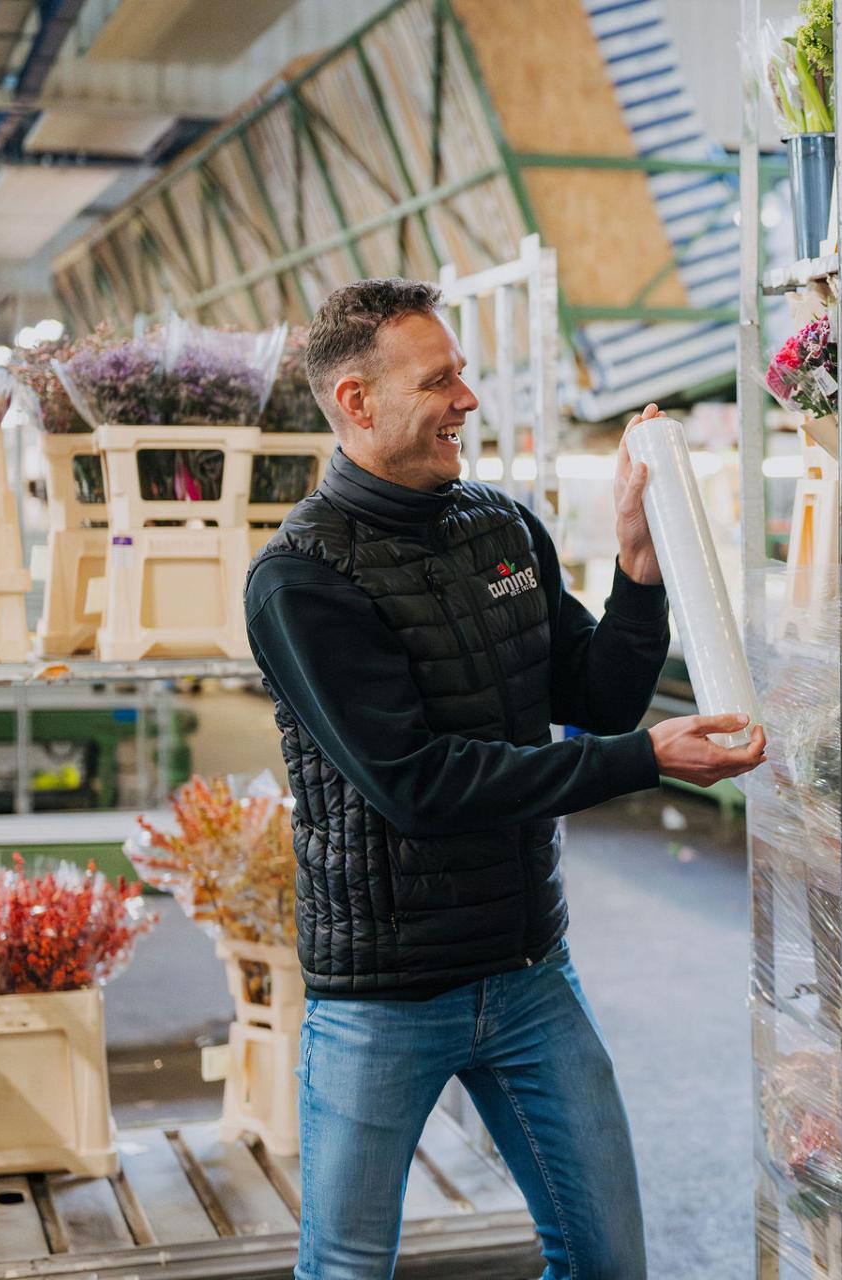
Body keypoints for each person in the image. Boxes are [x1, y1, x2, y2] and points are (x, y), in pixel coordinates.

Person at [244, 278, 765, 1280]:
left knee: (606, 1258)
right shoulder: (303, 577)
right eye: (439, 380)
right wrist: (649, 759)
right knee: (347, 1265)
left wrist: (639, 567)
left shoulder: (502, 528)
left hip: (529, 970)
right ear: (357, 400)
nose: (466, 401)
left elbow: (602, 694)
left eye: (463, 374)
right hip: (384, 994)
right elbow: (421, 784)